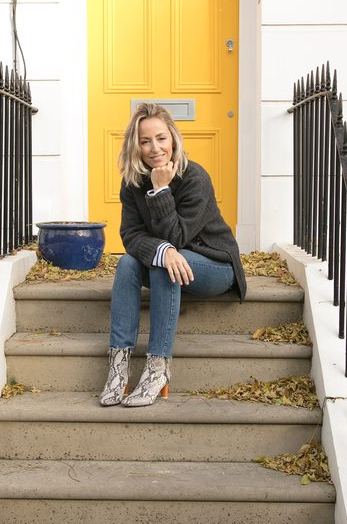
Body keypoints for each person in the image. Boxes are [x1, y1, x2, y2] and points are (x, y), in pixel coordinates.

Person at [100, 102, 246, 408]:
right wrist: (163, 251)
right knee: (128, 263)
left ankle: (157, 368)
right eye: (145, 141)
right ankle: (118, 367)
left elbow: (177, 237)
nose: (155, 148)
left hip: (215, 265)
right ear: (135, 146)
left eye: (161, 138)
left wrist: (162, 190)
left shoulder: (195, 178)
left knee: (163, 264)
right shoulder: (133, 182)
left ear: (173, 139)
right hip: (171, 262)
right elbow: (130, 236)